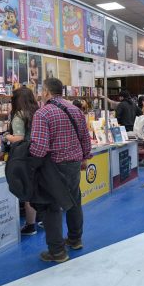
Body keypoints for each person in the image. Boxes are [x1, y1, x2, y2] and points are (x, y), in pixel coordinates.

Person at [30, 78, 91, 263]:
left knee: (51, 207)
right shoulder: (75, 110)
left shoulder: (43, 113)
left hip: (53, 167)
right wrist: (84, 157)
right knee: (74, 201)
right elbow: (85, 138)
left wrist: (30, 162)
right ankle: (75, 239)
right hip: (73, 164)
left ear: (47, 92)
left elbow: (39, 148)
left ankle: (57, 251)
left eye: (41, 91)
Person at [3, 87, 40, 236]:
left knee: (27, 191)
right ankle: (42, 219)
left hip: (24, 157)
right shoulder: (37, 112)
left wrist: (6, 136)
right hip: (39, 154)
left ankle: (30, 225)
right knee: (40, 188)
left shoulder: (19, 115)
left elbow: (19, 138)